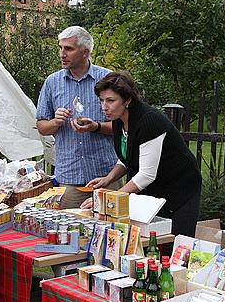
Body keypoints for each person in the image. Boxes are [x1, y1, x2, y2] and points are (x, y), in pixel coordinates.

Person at [84, 71, 202, 237]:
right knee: (145, 243)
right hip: (152, 190)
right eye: (102, 100)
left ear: (128, 100)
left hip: (180, 189)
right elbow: (128, 157)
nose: (104, 106)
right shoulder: (119, 120)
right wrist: (108, 179)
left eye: (111, 100)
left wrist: (107, 200)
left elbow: (146, 175)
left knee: (174, 245)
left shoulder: (149, 121)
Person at [36, 26, 118, 209]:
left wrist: (96, 126)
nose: (62, 54)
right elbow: (41, 126)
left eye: (68, 48)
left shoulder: (107, 79)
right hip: (70, 176)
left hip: (106, 175)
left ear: (85, 52)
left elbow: (123, 126)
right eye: (60, 47)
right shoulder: (52, 82)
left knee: (112, 231)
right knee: (69, 232)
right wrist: (55, 122)